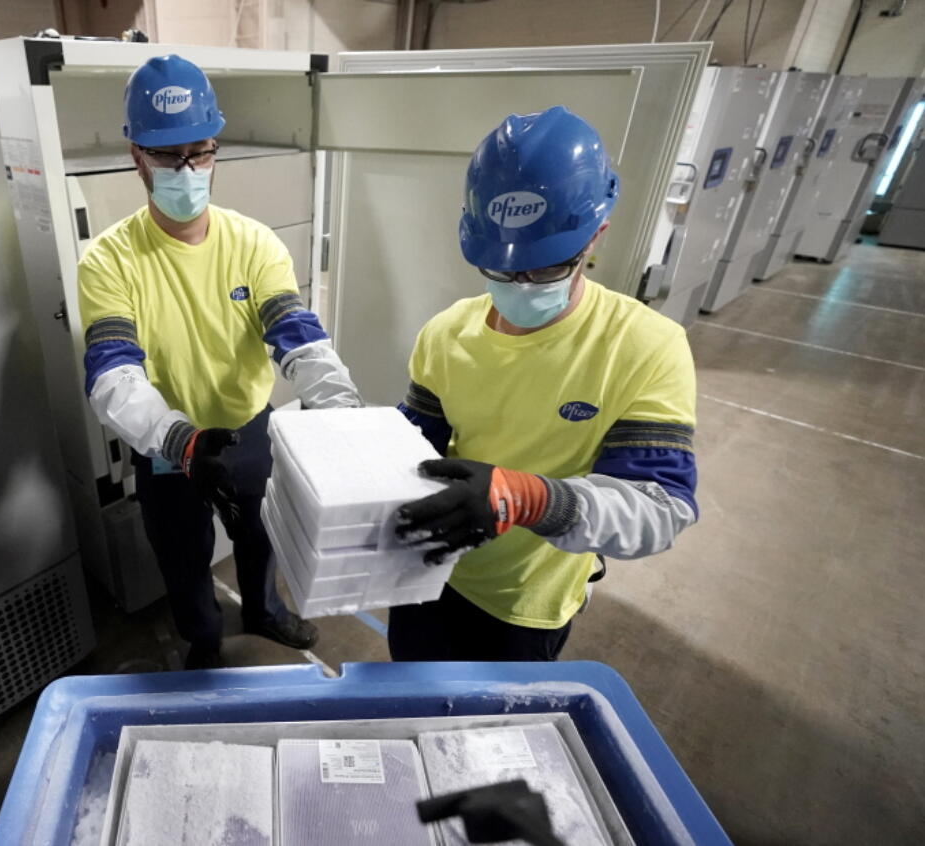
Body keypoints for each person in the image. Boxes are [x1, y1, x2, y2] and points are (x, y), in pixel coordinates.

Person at [77, 55, 361, 670]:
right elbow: (112, 373)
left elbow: (297, 334)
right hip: (164, 444)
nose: (187, 170)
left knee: (260, 536)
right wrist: (179, 441)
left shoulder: (254, 242)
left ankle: (263, 610)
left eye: (200, 152)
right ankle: (203, 641)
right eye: (168, 156)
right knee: (182, 556)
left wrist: (345, 413)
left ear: (214, 150)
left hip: (246, 427)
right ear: (137, 158)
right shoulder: (109, 261)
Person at [391, 107, 698, 662]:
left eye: (545, 267)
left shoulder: (646, 348)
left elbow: (660, 507)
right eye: (502, 270)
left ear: (595, 237)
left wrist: (531, 499)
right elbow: (411, 451)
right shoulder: (444, 335)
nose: (521, 285)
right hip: (428, 575)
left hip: (527, 602)